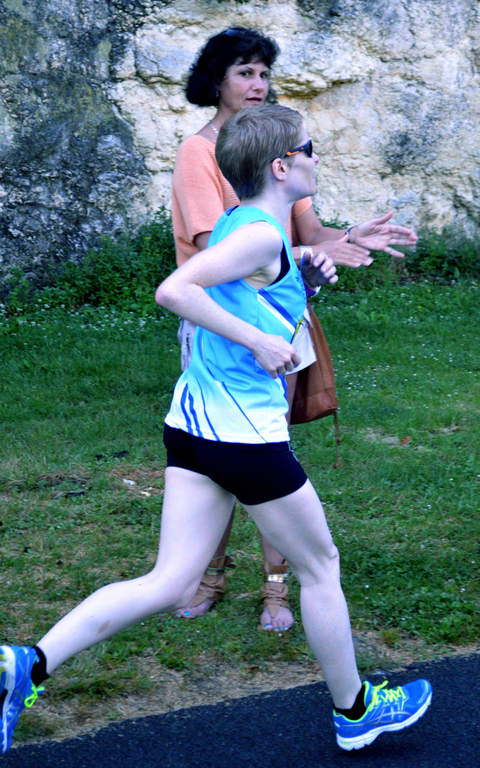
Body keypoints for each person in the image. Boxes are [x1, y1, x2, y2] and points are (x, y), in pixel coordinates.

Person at [0, 104, 431, 754]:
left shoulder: (244, 225)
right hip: (242, 437)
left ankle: (26, 665)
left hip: (193, 428)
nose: (317, 157)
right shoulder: (258, 235)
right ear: (282, 166)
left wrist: (305, 284)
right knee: (321, 567)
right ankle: (355, 711)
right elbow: (175, 291)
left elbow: (248, 298)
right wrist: (258, 340)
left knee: (170, 581)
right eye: (309, 148)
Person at [171, 26, 418, 630]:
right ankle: (207, 575)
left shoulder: (282, 146)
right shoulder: (201, 152)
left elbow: (304, 237)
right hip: (224, 325)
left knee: (269, 445)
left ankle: (276, 587)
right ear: (216, 81)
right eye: (244, 72)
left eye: (264, 73)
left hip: (282, 317)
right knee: (224, 454)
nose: (258, 84)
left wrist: (350, 237)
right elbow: (216, 252)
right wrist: (299, 269)